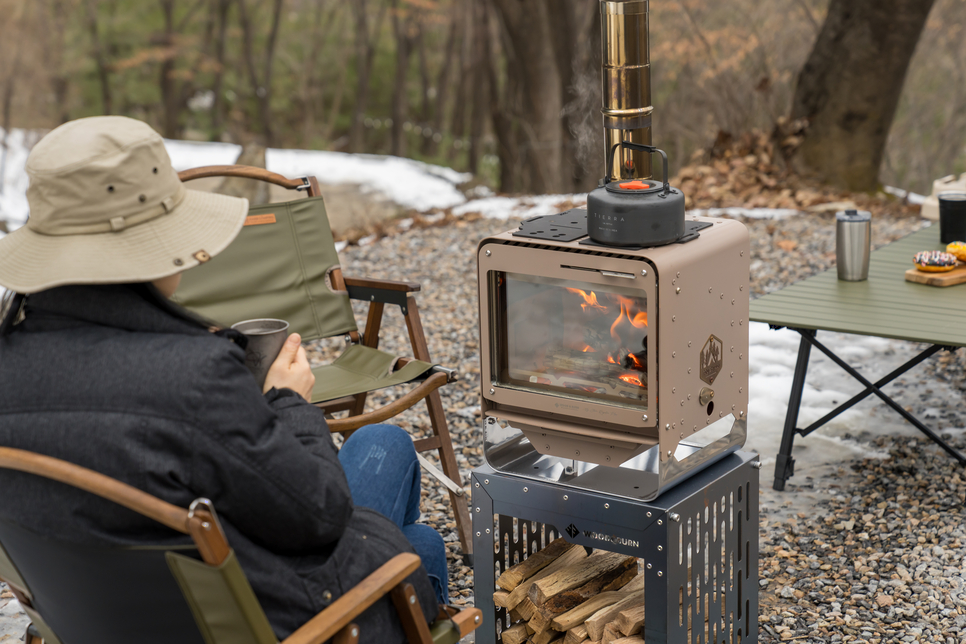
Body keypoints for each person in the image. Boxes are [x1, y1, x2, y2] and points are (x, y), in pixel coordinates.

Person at [0, 116, 448, 641]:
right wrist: (287, 400)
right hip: (276, 624)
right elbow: (320, 517)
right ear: (154, 246)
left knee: (383, 440)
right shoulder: (193, 379)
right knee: (420, 545)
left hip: (100, 616)